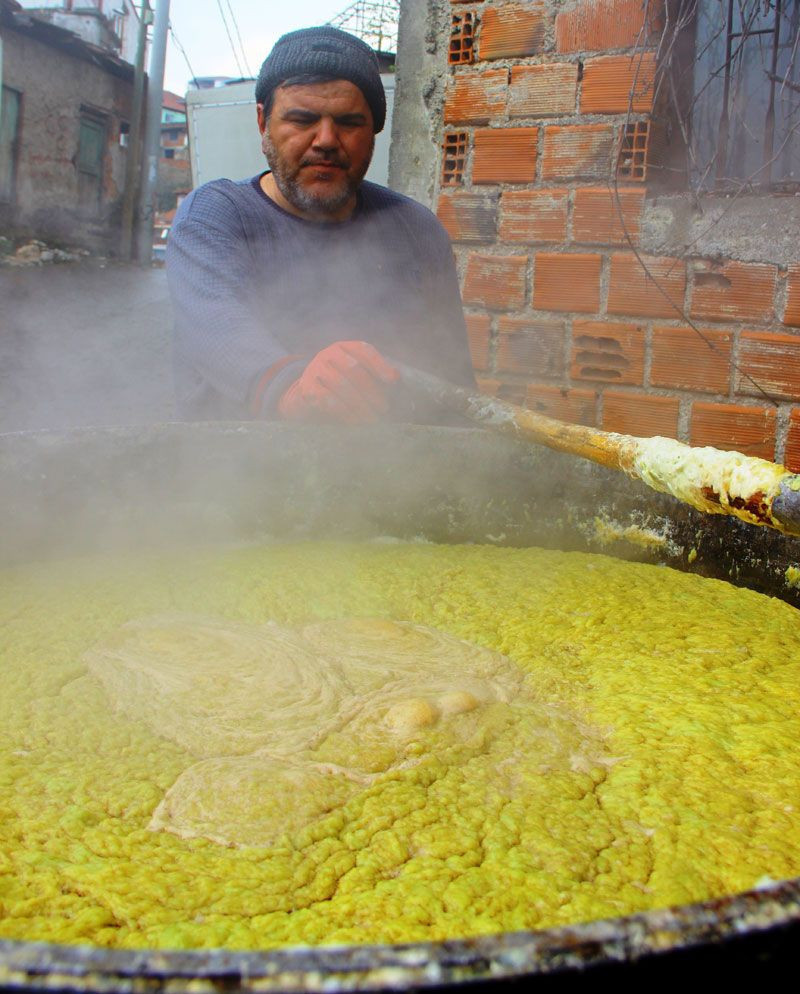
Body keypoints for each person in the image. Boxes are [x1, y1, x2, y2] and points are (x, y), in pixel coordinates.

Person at [166, 25, 476, 425]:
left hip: (388, 474)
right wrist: (290, 386)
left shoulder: (417, 231)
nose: (326, 139)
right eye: (301, 119)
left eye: (348, 122)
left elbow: (451, 385)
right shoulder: (213, 217)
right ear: (263, 122)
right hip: (230, 474)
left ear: (374, 131)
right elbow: (214, 326)